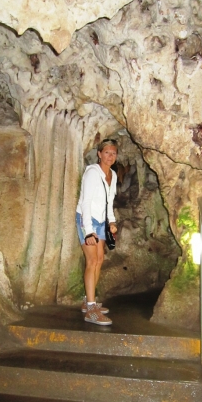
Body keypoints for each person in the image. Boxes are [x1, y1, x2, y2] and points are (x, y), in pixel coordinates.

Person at [76, 139, 118, 325]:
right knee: (92, 260)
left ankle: (88, 301)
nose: (110, 156)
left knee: (100, 260)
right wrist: (88, 232)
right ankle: (91, 309)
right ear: (99, 154)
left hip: (101, 221)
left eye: (114, 153)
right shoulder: (92, 173)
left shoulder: (113, 175)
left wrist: (111, 221)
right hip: (87, 220)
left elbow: (109, 201)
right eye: (107, 152)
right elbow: (85, 202)